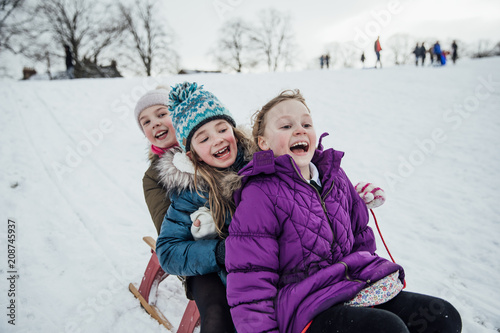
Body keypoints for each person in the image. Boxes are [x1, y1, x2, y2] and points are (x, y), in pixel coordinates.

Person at [225, 89, 462, 333]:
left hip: (352, 286)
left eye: (306, 123)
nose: (299, 129)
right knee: (388, 329)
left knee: (443, 317)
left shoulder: (334, 175)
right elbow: (250, 280)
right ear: (263, 143)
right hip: (305, 307)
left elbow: (360, 236)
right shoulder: (259, 194)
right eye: (285, 126)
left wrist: (369, 274)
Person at [154, 82, 256, 333]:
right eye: (204, 138)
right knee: (217, 316)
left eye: (222, 128)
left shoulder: (259, 162)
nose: (218, 140)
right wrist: (219, 252)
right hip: (210, 267)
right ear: (192, 155)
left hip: (257, 263)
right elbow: (167, 251)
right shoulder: (191, 190)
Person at [134, 87, 178, 235]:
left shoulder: (208, 150)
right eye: (146, 122)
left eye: (162, 114)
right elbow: (169, 232)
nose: (154, 123)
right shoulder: (153, 178)